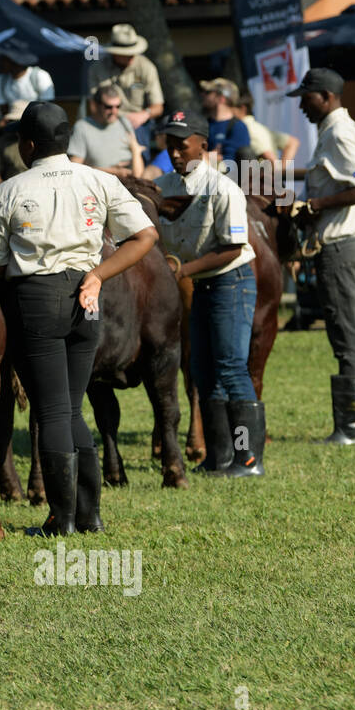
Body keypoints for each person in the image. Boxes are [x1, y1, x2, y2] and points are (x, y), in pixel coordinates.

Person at [0, 102, 157, 536]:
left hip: (37, 299)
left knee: (54, 412)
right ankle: (89, 516)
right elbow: (146, 236)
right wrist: (98, 273)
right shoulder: (101, 180)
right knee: (72, 410)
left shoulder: (8, 191)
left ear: (27, 144)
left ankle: (61, 521)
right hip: (89, 296)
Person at [154, 110, 263, 477]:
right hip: (203, 285)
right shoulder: (163, 186)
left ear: (203, 144)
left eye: (182, 146)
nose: (175, 153)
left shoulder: (223, 188)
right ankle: (217, 458)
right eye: (169, 146)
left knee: (232, 367)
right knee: (202, 370)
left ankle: (247, 459)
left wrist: (181, 270)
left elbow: (234, 247)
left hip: (231, 281)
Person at [288, 67, 355, 444]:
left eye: (306, 98)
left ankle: (351, 429)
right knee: (353, 336)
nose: (301, 106)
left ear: (326, 97)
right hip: (349, 246)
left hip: (342, 248)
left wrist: (316, 206)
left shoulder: (340, 133)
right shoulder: (340, 129)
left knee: (346, 338)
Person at [87, 23, 165, 136]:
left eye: (134, 51)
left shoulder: (147, 67)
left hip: (138, 124)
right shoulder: (97, 69)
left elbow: (158, 107)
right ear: (115, 52)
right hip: (106, 122)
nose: (132, 56)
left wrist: (144, 115)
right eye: (127, 53)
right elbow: (93, 106)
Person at [68, 85, 144, 178]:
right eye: (108, 107)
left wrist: (136, 152)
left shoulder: (124, 122)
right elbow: (75, 168)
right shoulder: (82, 127)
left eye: (118, 106)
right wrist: (112, 172)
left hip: (129, 182)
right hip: (98, 184)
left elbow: (139, 172)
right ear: (95, 105)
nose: (114, 111)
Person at [0, 42, 54, 123]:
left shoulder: (40, 75)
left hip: (36, 123)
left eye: (5, 59)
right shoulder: (1, 80)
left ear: (14, 61)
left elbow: (47, 108)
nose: (1, 62)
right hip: (12, 123)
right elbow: (3, 109)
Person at [234, 93, 298, 166]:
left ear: (242, 108)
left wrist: (279, 174)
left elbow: (271, 160)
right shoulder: (256, 127)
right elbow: (292, 142)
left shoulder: (248, 129)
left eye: (230, 107)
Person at [198, 78, 251, 165]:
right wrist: (212, 156)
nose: (203, 95)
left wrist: (206, 156)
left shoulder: (238, 126)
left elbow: (230, 161)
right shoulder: (205, 124)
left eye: (208, 92)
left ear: (221, 98)